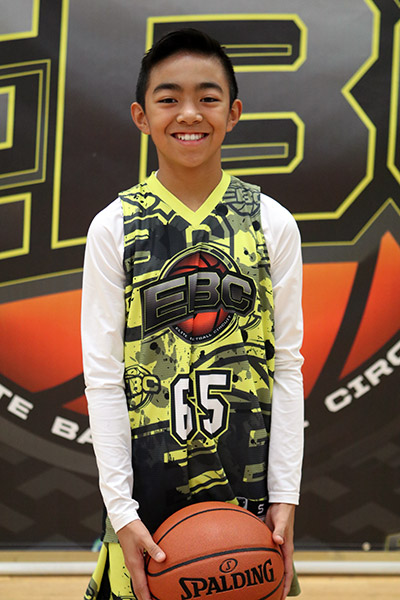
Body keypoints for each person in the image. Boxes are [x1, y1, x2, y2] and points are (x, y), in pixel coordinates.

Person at [81, 28, 304, 600]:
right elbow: (103, 379)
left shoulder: (272, 223)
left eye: (208, 98)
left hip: (248, 505)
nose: (189, 113)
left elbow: (287, 368)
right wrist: (121, 510)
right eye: (168, 98)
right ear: (141, 115)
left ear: (233, 114)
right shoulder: (114, 227)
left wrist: (285, 498)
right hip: (146, 504)